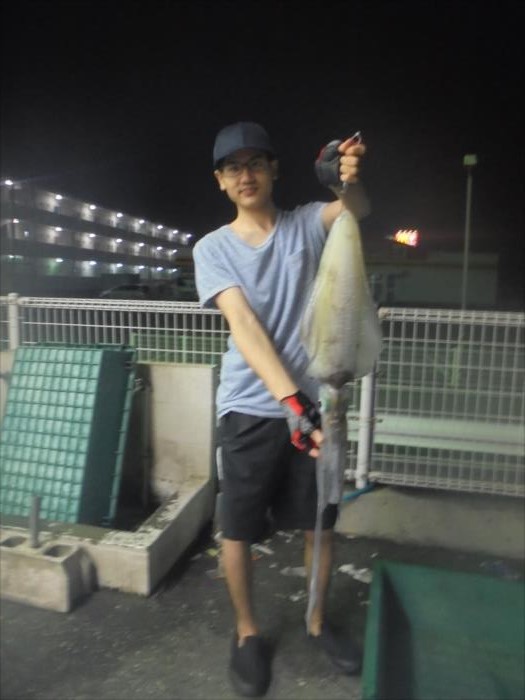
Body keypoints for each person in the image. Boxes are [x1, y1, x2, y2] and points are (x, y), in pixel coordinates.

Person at [193, 121, 368, 698]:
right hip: (249, 409)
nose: (245, 175)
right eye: (233, 168)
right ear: (221, 181)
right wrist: (290, 400)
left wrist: (345, 182)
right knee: (238, 528)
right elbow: (243, 323)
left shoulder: (306, 225)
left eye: (255, 164)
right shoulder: (212, 248)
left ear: (273, 170)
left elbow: (354, 214)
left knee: (320, 522)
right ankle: (247, 633)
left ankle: (317, 621)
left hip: (315, 407)